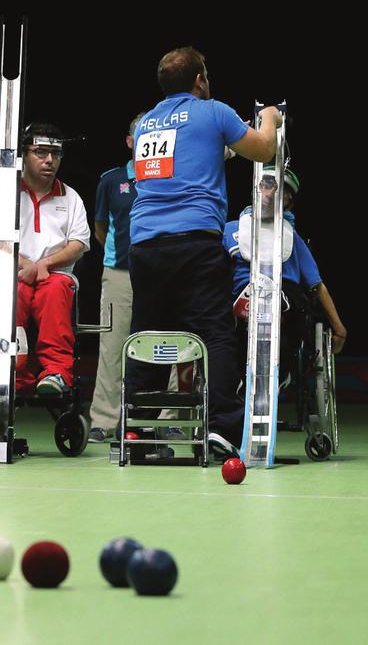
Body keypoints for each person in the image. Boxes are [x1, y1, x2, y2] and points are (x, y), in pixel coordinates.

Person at [126, 46, 283, 458]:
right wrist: (269, 117)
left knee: (147, 333)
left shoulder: (146, 124)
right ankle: (221, 429)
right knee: (214, 333)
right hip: (194, 241)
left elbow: (179, 163)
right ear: (200, 80)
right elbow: (265, 148)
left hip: (144, 244)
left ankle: (138, 431)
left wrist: (223, 149)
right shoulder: (214, 111)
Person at [0, 123, 90, 396]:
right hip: (14, 274)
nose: (49, 160)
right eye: (41, 152)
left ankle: (56, 373)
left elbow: (79, 243)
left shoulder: (71, 196)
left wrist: (43, 265)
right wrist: (26, 265)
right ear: (24, 155)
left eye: (56, 153)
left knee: (54, 292)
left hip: (56, 277)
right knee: (9, 294)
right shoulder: (4, 195)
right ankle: (10, 372)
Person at [225, 164, 346, 377]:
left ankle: (283, 366)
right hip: (238, 299)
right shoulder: (230, 230)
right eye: (265, 186)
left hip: (285, 299)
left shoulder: (294, 240)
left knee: (295, 305)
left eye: (280, 191)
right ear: (256, 189)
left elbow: (316, 286)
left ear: (288, 202)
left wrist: (339, 329)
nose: (270, 194)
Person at [89, 113, 143, 442]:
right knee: (112, 348)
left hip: (158, 275)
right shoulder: (111, 180)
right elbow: (100, 228)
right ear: (129, 142)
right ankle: (105, 420)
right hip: (119, 274)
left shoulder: (166, 176)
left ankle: (165, 417)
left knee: (163, 343)